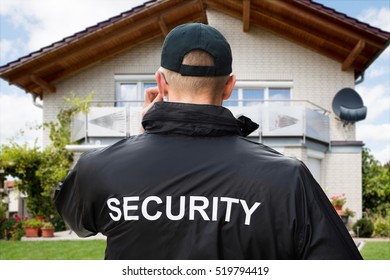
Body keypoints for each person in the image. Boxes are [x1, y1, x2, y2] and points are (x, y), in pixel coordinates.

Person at [55, 23, 362, 260]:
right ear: (229, 86)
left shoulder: (100, 168)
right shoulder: (289, 178)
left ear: (160, 82)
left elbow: (77, 220)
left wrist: (140, 138)